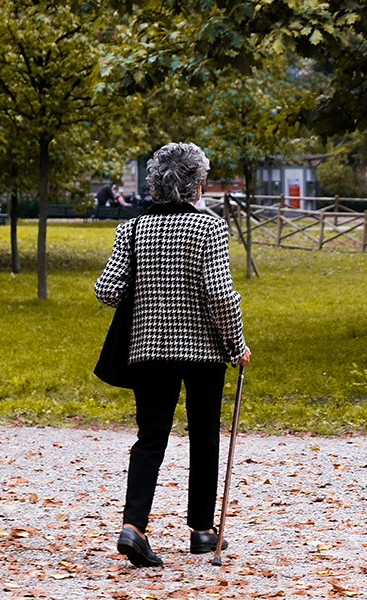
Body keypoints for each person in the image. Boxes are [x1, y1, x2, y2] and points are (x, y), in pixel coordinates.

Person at [95, 142, 251, 568]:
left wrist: (150, 286)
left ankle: (134, 527)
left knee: (150, 439)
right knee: (204, 437)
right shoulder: (210, 228)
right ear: (197, 184)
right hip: (203, 351)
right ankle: (202, 531)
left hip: (148, 349)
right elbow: (220, 296)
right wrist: (237, 345)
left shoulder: (132, 229)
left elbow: (107, 290)